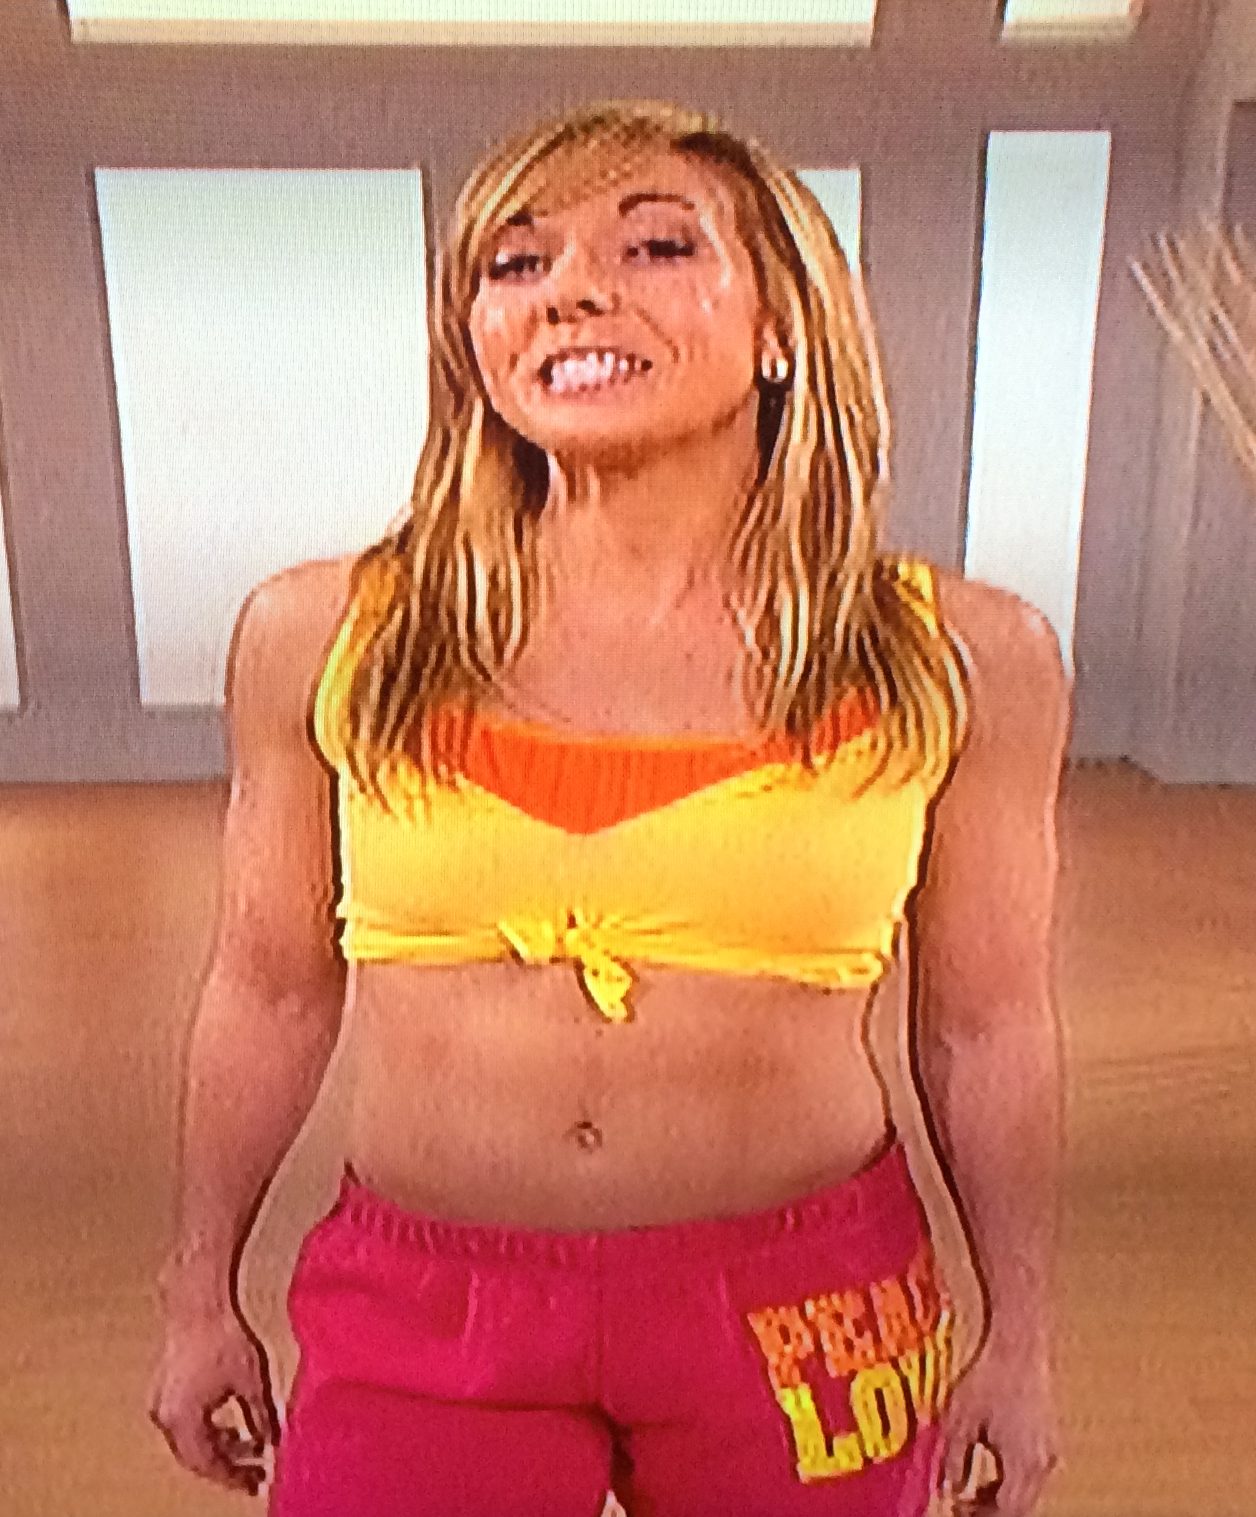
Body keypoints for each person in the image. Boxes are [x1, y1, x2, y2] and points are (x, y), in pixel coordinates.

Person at [148, 98, 1071, 1517]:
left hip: (805, 1309)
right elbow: (267, 990)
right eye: (515, 263)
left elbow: (986, 1026)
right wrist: (197, 1288)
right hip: (419, 1309)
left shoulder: (961, 657)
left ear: (783, 324)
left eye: (656, 246)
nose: (572, 290)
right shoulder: (324, 635)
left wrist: (1025, 1329)